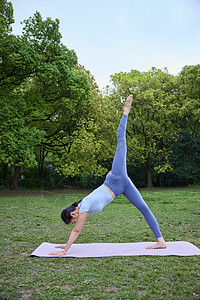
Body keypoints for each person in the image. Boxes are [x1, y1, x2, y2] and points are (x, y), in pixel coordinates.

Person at [49, 95, 167, 256]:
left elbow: (76, 231)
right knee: (144, 208)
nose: (75, 222)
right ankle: (161, 241)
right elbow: (75, 230)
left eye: (72, 221)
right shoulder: (82, 205)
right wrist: (66, 245)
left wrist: (65, 251)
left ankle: (125, 112)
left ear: (72, 214)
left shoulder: (82, 208)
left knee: (121, 142)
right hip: (122, 188)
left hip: (116, 178)